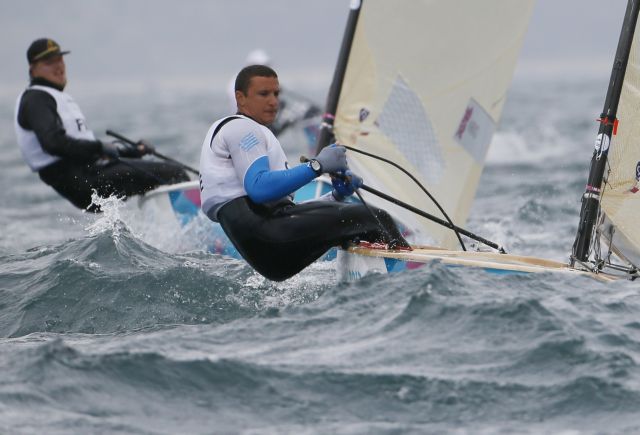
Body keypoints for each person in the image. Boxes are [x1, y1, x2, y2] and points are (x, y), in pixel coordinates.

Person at [200, 65, 410, 281]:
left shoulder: (242, 131)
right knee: (376, 218)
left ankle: (372, 274)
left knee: (356, 223)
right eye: (263, 94)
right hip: (268, 237)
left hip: (266, 243)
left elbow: (282, 210)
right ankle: (407, 276)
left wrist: (336, 196)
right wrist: (317, 166)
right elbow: (259, 189)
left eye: (276, 94)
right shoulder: (240, 128)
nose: (273, 102)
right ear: (240, 98)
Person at [14, 38, 190, 212]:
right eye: (49, 62)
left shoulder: (51, 96)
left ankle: (171, 224)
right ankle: (197, 226)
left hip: (89, 173)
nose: (58, 66)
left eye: (60, 59)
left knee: (161, 172)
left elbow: (85, 150)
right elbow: (54, 143)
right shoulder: (36, 99)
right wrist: (99, 147)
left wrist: (133, 151)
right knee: (175, 174)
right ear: (32, 69)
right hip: (83, 181)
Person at [226, 50, 321, 138]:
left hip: (254, 122)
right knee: (290, 110)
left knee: (300, 110)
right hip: (250, 125)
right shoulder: (240, 82)